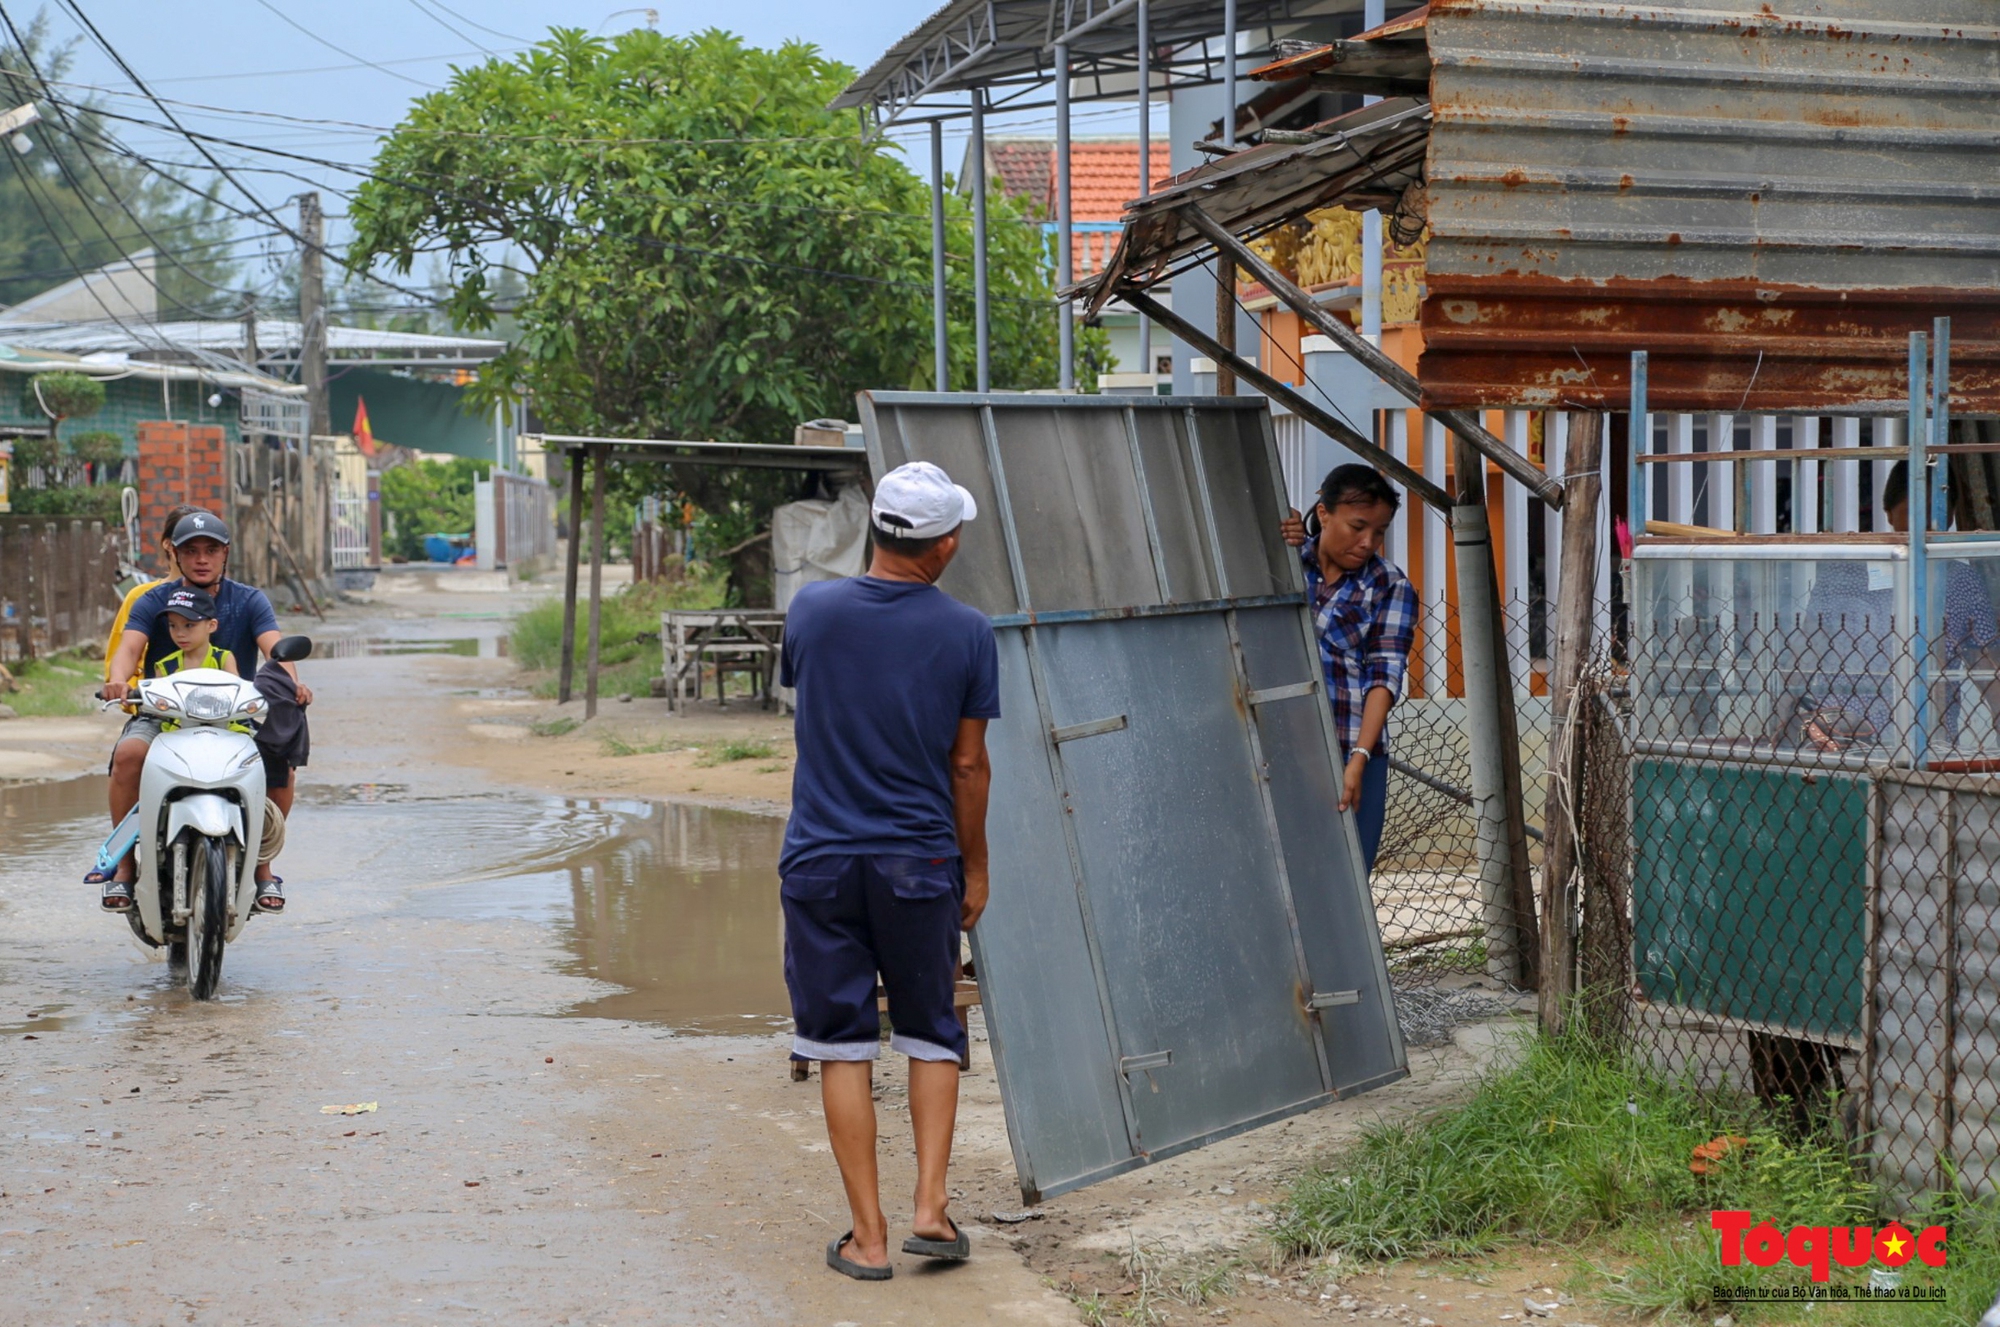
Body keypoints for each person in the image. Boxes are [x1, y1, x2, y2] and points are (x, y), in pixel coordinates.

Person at [778, 460, 997, 1282]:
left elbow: (814, 704)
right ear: (942, 546)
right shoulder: (968, 631)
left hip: (822, 862)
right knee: (931, 1031)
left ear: (878, 529)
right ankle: (930, 1211)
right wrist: (975, 868)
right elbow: (968, 766)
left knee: (839, 1046)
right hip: (919, 860)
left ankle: (867, 1241)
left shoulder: (812, 610)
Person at [97, 510, 309, 913]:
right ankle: (124, 869)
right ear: (173, 553)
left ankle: (263, 865)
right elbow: (128, 648)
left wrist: (290, 683)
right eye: (190, 550)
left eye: (211, 549)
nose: (201, 558)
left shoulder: (249, 600)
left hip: (232, 716)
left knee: (279, 764)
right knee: (128, 756)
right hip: (161, 714)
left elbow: (275, 649)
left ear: (225, 553)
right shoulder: (153, 600)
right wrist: (120, 681)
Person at [1280, 464, 1418, 872]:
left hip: (1349, 755)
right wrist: (1270, 530)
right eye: (1357, 526)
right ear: (1323, 513)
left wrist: (1358, 760)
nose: (1367, 542)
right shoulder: (1286, 562)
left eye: (1379, 532)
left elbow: (1384, 676)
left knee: (1344, 881)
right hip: (1278, 752)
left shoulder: (1389, 586)